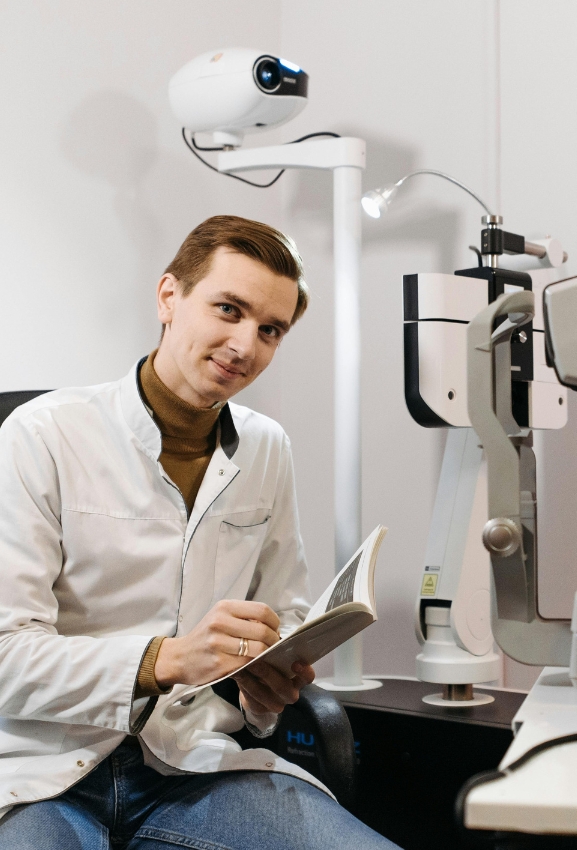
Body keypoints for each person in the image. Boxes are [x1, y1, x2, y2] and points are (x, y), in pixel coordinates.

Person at [0, 216, 397, 849]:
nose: (245, 345)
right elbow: (5, 655)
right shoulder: (42, 434)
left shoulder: (267, 448)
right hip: (45, 774)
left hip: (189, 768)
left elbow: (285, 607)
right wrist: (169, 659)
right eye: (228, 310)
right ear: (168, 298)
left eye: (270, 330)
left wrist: (267, 676)